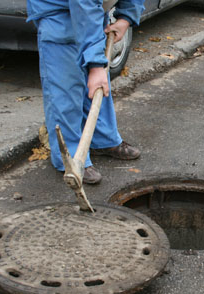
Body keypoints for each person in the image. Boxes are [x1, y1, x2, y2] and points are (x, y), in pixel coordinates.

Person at [27, 0, 145, 184]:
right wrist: (96, 66)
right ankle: (72, 157)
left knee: (97, 88)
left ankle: (102, 139)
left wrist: (126, 17)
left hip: (92, 12)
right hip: (59, 14)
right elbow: (84, 5)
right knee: (65, 90)